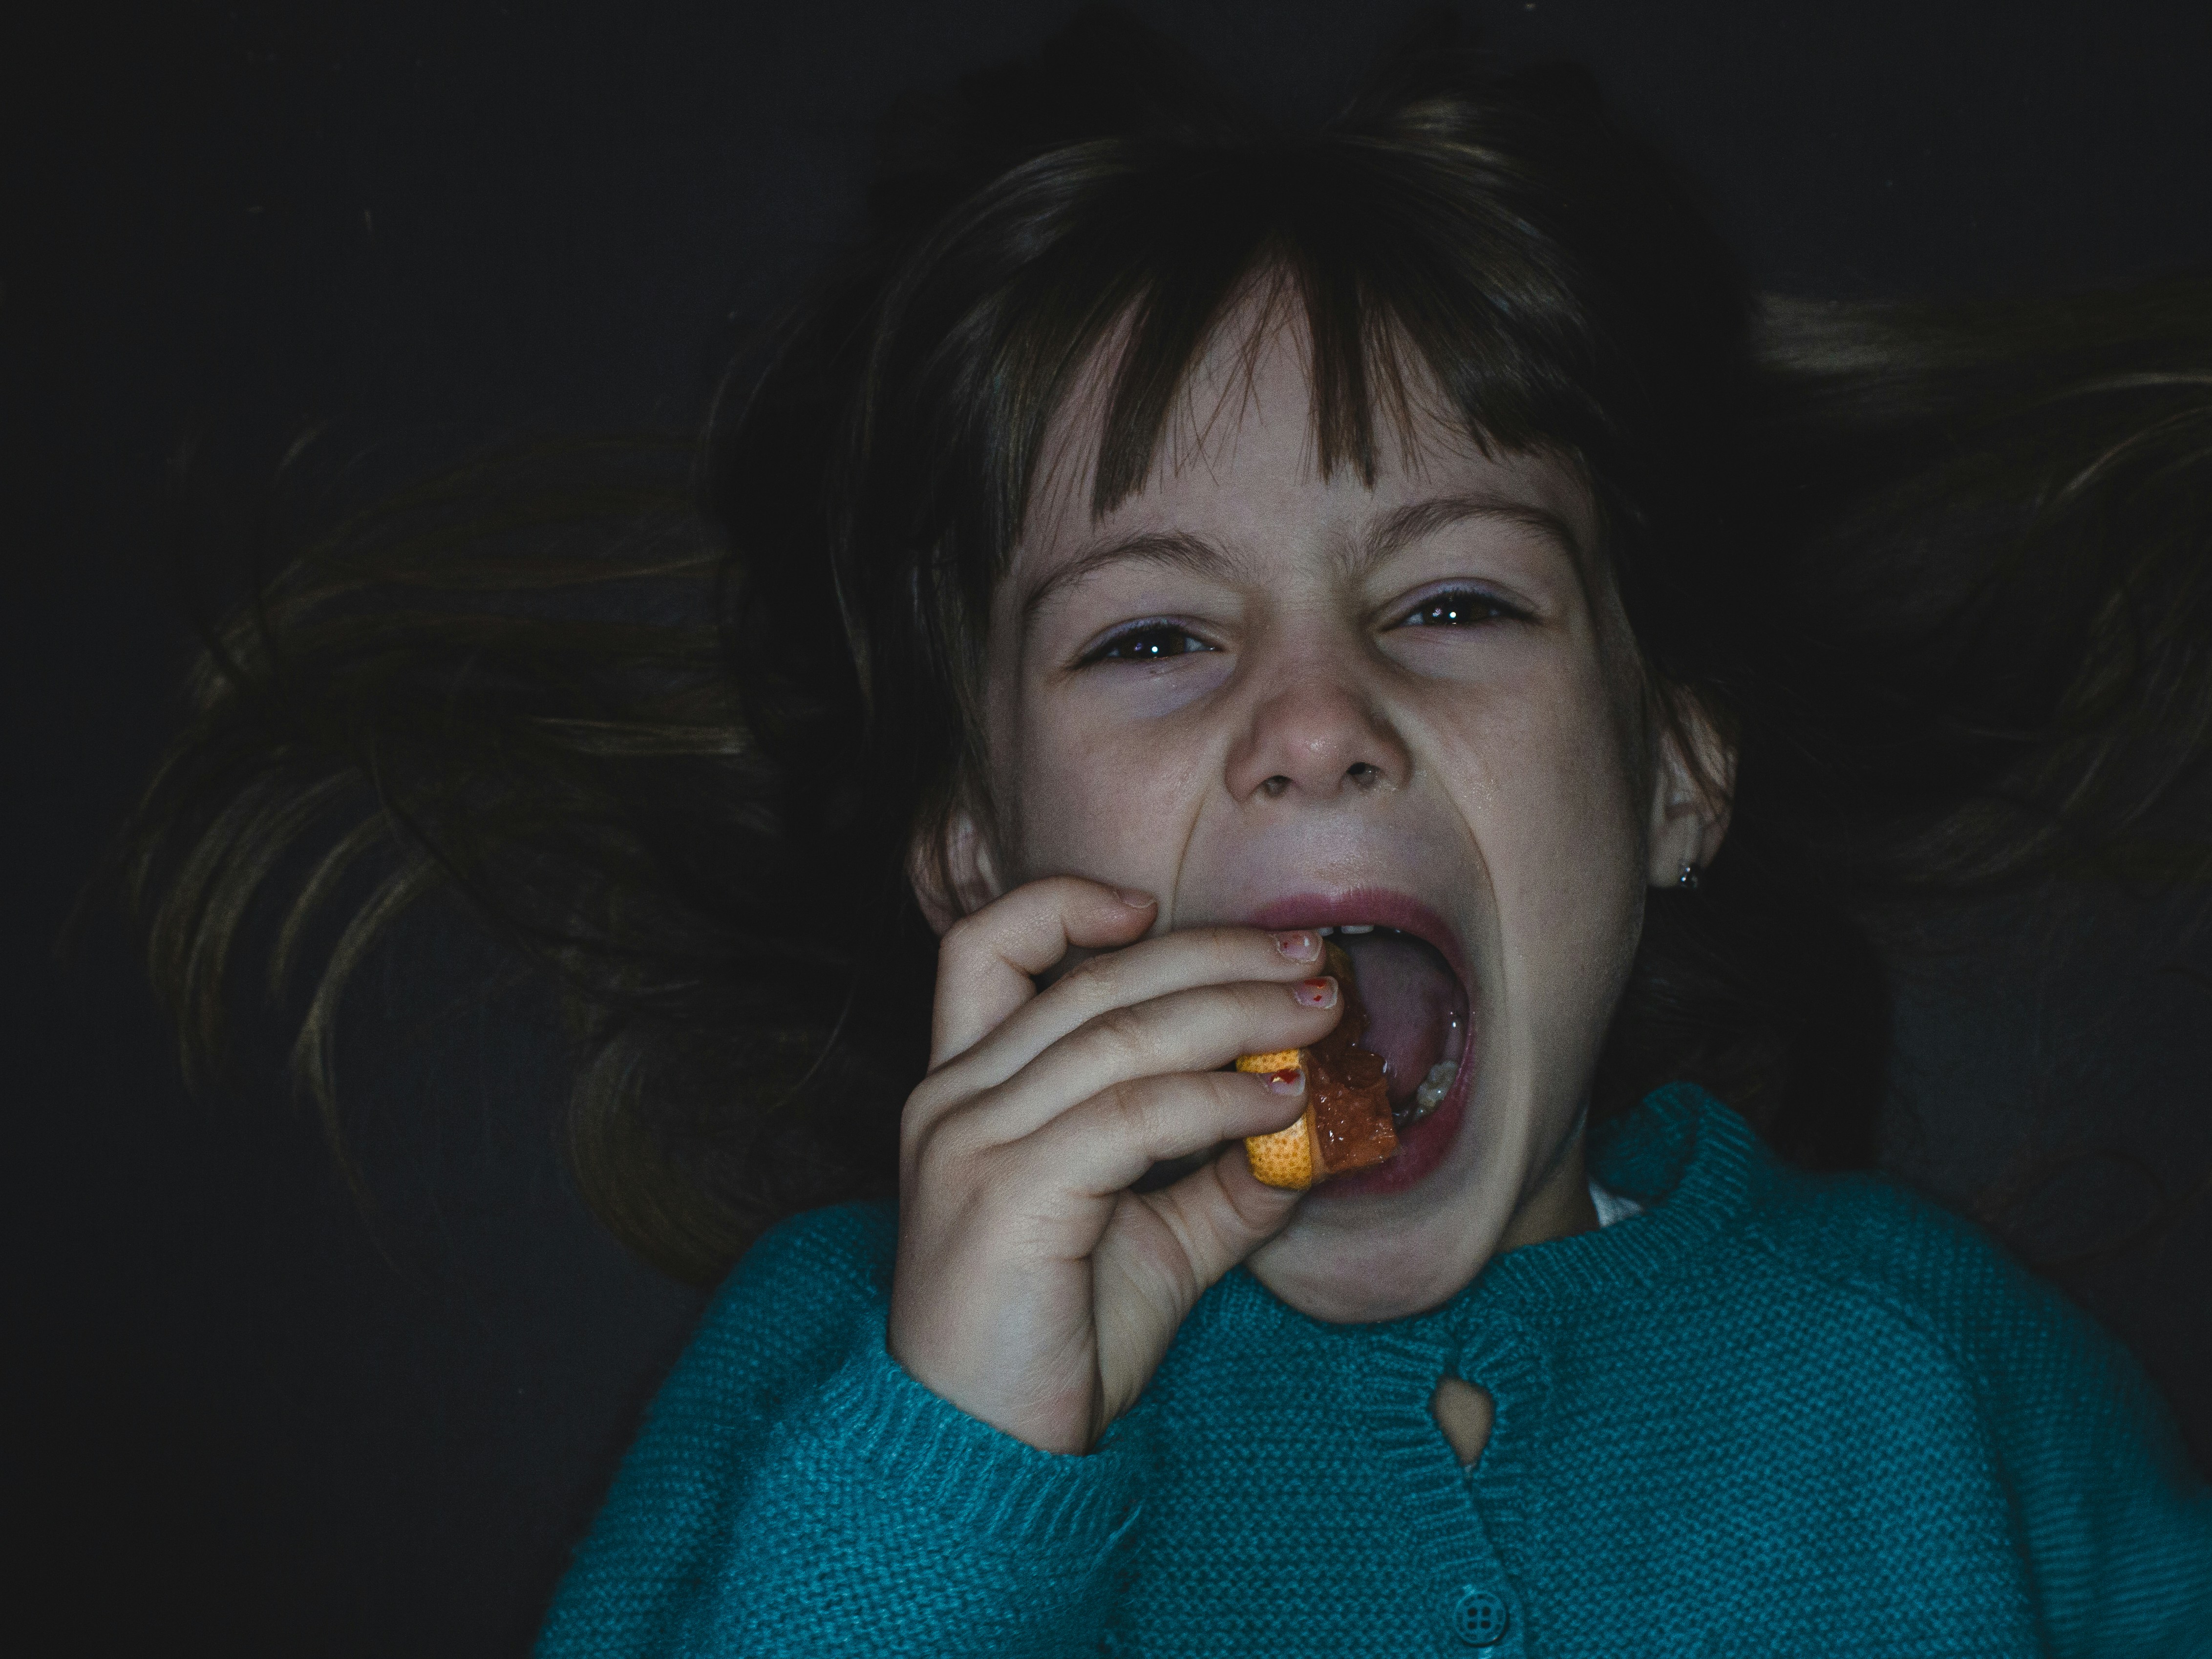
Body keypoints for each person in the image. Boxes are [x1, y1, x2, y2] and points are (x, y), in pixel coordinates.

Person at [130, 14, 2212, 1655]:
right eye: (1149, 634)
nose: (1314, 727)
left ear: (1676, 777)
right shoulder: (834, 1393)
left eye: (1452, 602)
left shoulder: (1942, 1385)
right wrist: (954, 1458)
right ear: (975, 860)